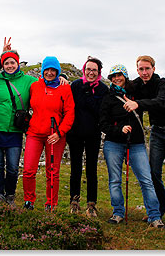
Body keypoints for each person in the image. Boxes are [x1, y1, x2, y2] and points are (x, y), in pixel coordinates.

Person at [123, 55, 165, 232]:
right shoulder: (137, 85)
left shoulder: (163, 83)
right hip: (158, 131)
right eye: (141, 69)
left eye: (147, 68)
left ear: (153, 68)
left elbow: (162, 101)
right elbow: (120, 88)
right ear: (137, 70)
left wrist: (138, 103)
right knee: (153, 173)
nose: (144, 72)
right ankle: (158, 211)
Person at [100, 64, 165, 228]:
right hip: (113, 143)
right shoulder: (108, 98)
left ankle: (154, 216)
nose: (116, 79)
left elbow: (152, 98)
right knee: (115, 180)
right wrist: (118, 130)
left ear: (125, 76)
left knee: (146, 180)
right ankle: (118, 213)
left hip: (136, 143)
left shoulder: (136, 92)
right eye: (113, 77)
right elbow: (103, 123)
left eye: (119, 75)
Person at [22, 56, 75, 211]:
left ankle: (51, 203)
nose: (50, 73)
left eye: (54, 70)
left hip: (55, 135)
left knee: (52, 171)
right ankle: (28, 200)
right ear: (43, 70)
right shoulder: (35, 86)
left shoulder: (65, 88)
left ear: (58, 72)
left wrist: (60, 132)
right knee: (28, 169)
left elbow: (70, 113)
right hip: (35, 133)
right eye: (47, 69)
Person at [0, 49, 37, 207]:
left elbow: (47, 82)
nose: (10, 65)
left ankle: (10, 195)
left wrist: (63, 78)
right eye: (6, 63)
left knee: (12, 167)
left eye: (12, 62)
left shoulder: (29, 81)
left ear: (18, 63)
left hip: (15, 131)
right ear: (2, 65)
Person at [66, 56, 108, 217]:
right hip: (75, 134)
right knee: (75, 168)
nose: (91, 73)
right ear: (84, 70)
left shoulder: (103, 89)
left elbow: (100, 112)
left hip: (93, 134)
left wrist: (89, 94)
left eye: (94, 70)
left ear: (99, 73)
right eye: (88, 69)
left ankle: (91, 204)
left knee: (92, 169)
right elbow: (69, 106)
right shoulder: (76, 85)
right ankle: (74, 201)